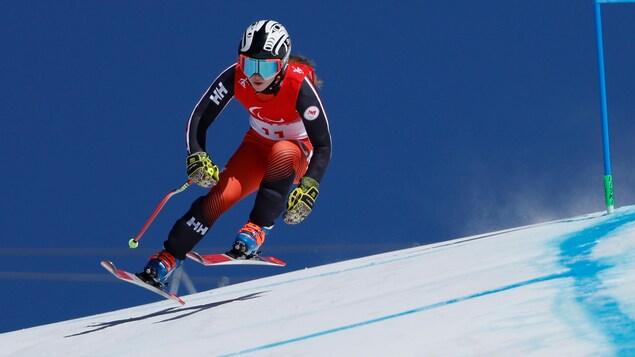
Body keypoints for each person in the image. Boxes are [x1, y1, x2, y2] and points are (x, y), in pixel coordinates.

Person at [136, 20, 332, 287]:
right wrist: (197, 154)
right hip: (256, 147)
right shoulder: (236, 76)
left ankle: (256, 229)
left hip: (295, 154)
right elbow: (199, 116)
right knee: (220, 196)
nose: (256, 76)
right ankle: (167, 258)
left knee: (283, 151)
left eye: (266, 67)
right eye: (250, 64)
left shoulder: (298, 84)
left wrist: (310, 185)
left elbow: (323, 144)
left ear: (283, 64)